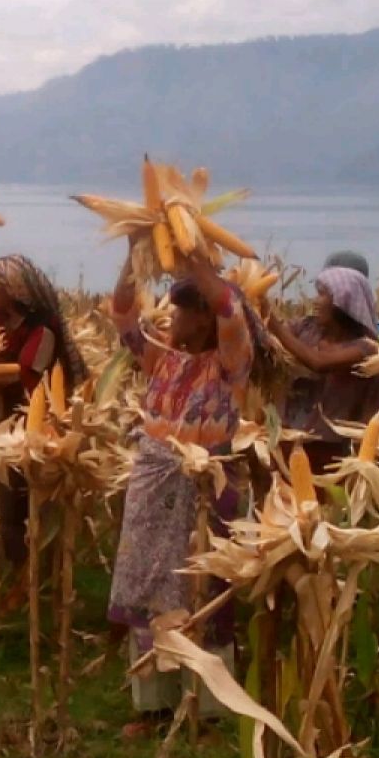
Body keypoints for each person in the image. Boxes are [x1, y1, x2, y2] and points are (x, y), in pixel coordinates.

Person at [107, 249, 254, 722]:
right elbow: (124, 315)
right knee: (150, 589)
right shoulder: (162, 360)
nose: (171, 317)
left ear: (205, 319)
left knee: (205, 593)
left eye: (182, 310)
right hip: (154, 490)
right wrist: (135, 252)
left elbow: (231, 310)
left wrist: (195, 259)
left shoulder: (231, 363)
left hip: (206, 489)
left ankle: (210, 710)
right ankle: (154, 706)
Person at [0, 254, 88, 565]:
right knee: (10, 508)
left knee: (32, 507)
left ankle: (39, 573)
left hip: (37, 430)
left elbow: (25, 371)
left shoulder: (45, 331)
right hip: (10, 426)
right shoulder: (0, 325)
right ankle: (21, 573)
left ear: (15, 290)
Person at [270, 265, 379, 472]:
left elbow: (319, 363)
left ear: (343, 302)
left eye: (323, 295)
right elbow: (271, 344)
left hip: (330, 449)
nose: (315, 301)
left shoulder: (364, 348)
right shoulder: (306, 327)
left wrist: (274, 325)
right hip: (288, 440)